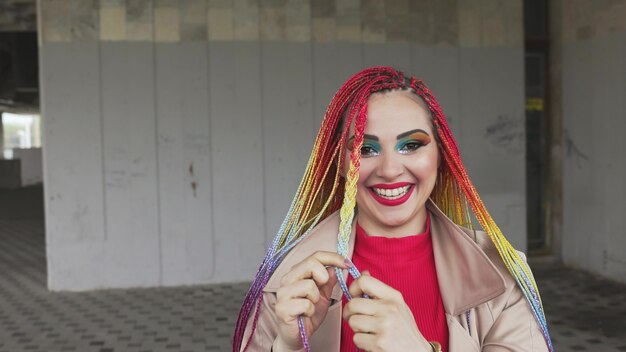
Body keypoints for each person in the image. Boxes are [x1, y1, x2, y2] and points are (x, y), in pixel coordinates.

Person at [233, 67, 552, 352]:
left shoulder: (503, 274)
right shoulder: (287, 277)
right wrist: (287, 347)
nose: (388, 169)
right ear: (341, 164)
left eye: (411, 145)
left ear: (440, 156)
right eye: (365, 149)